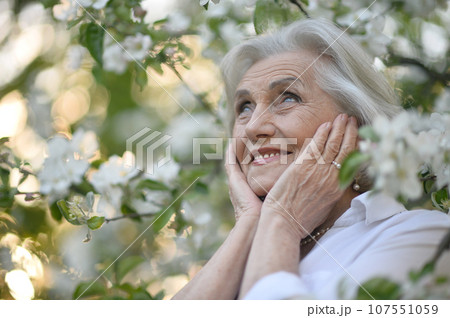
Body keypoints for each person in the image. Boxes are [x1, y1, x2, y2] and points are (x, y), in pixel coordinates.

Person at [173, 18, 450, 300]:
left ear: (363, 132)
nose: (253, 127)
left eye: (288, 98)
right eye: (245, 106)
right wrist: (248, 222)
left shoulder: (425, 237)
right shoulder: (238, 260)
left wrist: (282, 218)